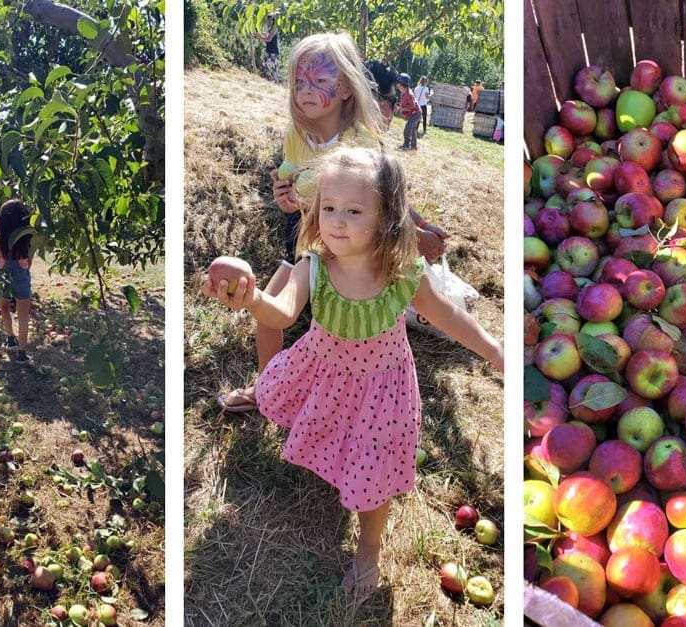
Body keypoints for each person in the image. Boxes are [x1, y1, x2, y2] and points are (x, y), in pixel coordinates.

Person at [202, 146, 504, 597]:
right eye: (329, 208)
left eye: (354, 210)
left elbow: (449, 317)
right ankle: (340, 477)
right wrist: (252, 301)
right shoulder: (315, 267)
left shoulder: (403, 275)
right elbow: (283, 313)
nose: (337, 220)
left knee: (374, 465)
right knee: (336, 436)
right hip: (326, 373)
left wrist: (495, 351)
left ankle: (369, 547)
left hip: (384, 386)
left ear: (387, 217)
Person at [217, 34, 448, 412]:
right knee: (271, 309)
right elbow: (295, 194)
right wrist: (286, 199)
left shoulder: (360, 140)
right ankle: (266, 390)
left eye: (317, 80)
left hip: (350, 246)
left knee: (340, 330)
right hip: (307, 235)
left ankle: (344, 405)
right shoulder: (296, 136)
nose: (305, 91)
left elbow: (387, 193)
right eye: (298, 82)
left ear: (342, 87)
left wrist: (417, 229)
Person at [0, 198, 35, 364]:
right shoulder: (27, 237)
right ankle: (22, 353)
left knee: (4, 307)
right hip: (22, 276)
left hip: (4, 276)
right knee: (23, 313)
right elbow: (29, 262)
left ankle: (10, 339)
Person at [395, 74, 421, 151]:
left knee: (408, 128)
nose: (397, 84)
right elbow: (403, 103)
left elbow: (412, 106)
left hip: (416, 113)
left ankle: (406, 145)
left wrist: (402, 109)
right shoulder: (402, 93)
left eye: (398, 83)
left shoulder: (409, 94)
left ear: (403, 84)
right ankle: (414, 146)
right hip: (413, 114)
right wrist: (399, 107)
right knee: (412, 130)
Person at [256, 16, 279, 82]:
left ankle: (276, 81)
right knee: (264, 63)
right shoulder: (270, 29)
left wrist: (259, 36)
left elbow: (268, 39)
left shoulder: (274, 29)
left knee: (274, 66)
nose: (269, 22)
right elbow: (266, 37)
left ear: (273, 21)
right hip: (268, 49)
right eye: (269, 20)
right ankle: (270, 77)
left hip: (273, 50)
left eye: (271, 20)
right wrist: (259, 34)